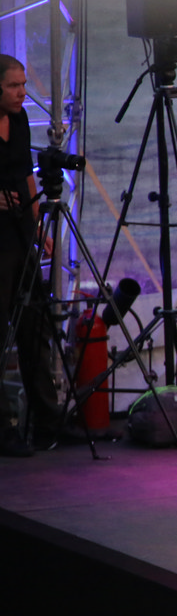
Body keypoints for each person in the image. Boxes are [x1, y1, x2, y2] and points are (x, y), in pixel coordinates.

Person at [0, 54, 60, 458]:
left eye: (23, 84)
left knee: (35, 325)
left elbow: (26, 175)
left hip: (20, 229)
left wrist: (38, 227)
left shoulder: (19, 120)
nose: (23, 92)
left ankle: (47, 421)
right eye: (13, 86)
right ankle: (3, 427)